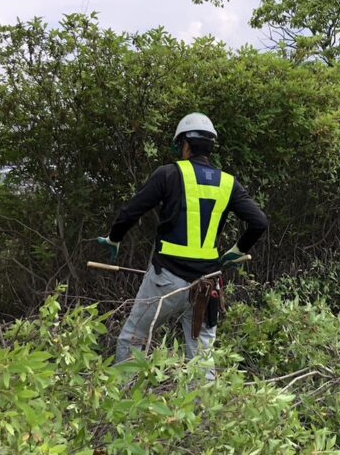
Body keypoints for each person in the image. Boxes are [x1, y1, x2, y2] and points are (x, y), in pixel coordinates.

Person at [98, 112, 269, 365]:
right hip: (208, 284)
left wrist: (114, 238)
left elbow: (130, 212)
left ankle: (124, 398)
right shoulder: (228, 183)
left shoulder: (168, 174)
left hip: (165, 279)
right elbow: (259, 222)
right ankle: (203, 404)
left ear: (185, 144)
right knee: (202, 355)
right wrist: (237, 250)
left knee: (134, 339)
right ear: (210, 147)